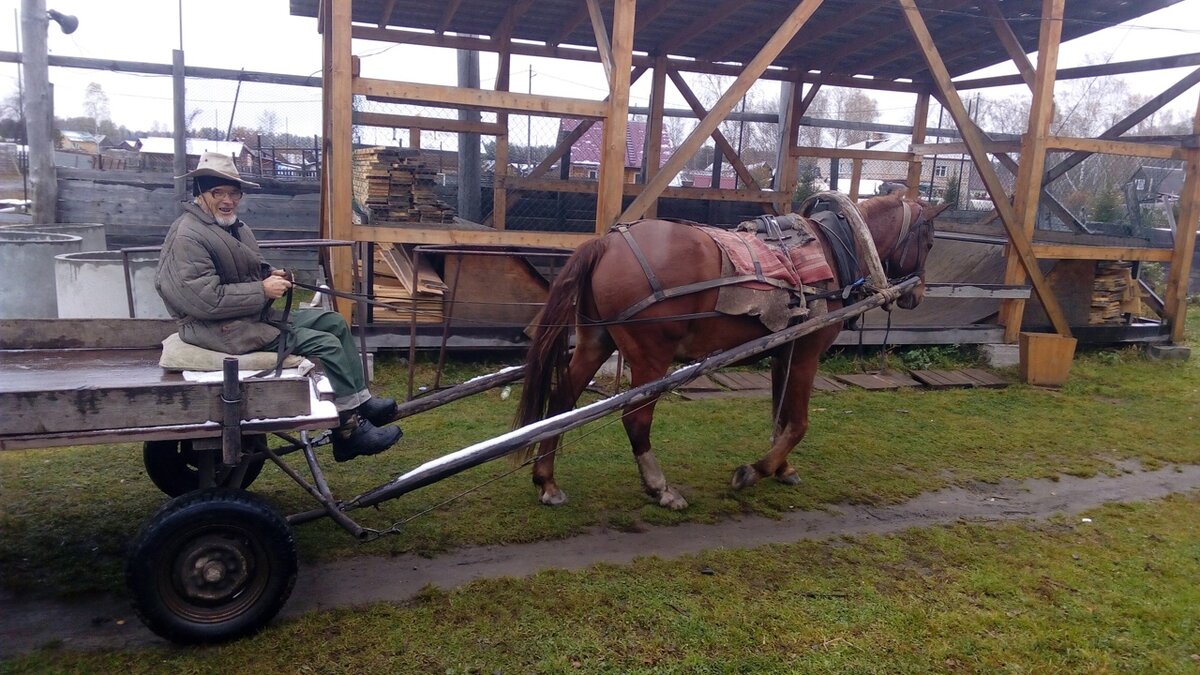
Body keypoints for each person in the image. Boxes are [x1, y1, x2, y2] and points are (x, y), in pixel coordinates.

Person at [155, 151, 401, 462]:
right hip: (218, 330)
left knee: (333, 322)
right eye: (218, 192)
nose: (227, 200)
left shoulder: (233, 227)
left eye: (233, 193)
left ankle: (359, 400)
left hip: (245, 317)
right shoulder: (188, 236)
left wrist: (272, 276)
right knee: (324, 343)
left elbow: (246, 269)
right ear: (200, 194)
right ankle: (348, 433)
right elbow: (205, 300)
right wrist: (261, 289)